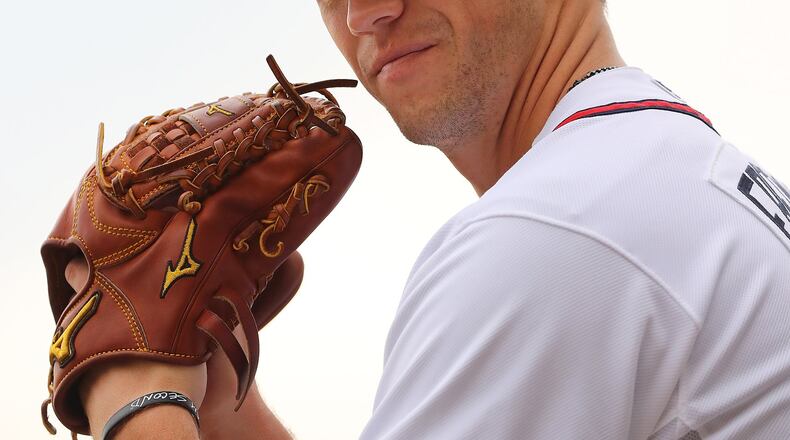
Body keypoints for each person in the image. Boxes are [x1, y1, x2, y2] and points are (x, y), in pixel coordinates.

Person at [63, 0, 790, 438]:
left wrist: (139, 403)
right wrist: (226, 410)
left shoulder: (555, 235)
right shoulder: (658, 172)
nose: (363, 13)